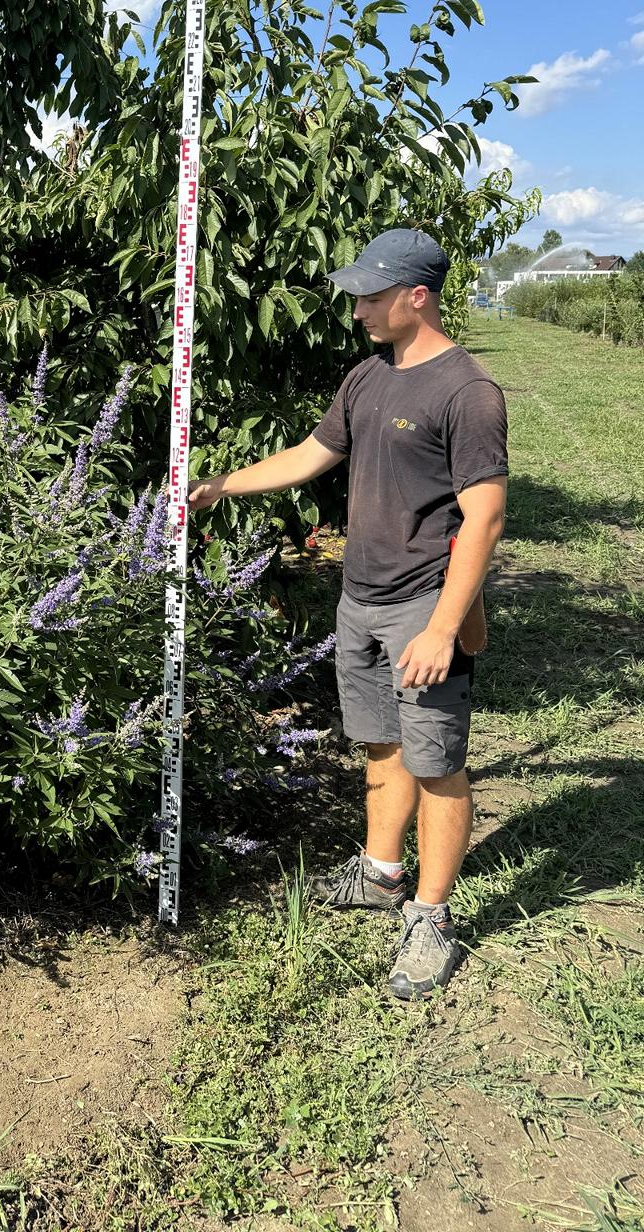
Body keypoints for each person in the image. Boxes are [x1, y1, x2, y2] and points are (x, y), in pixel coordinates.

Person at [189, 228, 507, 1000]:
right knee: (381, 743)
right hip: (359, 598)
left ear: (416, 296)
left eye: (370, 294)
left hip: (421, 604)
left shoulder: (467, 393)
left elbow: (487, 517)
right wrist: (223, 484)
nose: (357, 307)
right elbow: (311, 454)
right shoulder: (367, 377)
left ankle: (431, 919)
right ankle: (382, 873)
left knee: (437, 765)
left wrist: (441, 627)